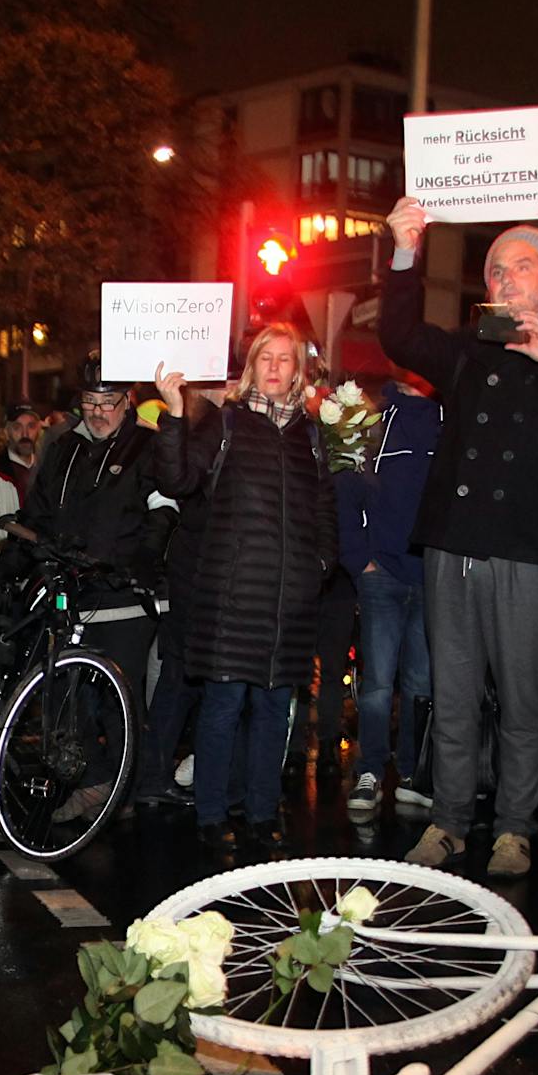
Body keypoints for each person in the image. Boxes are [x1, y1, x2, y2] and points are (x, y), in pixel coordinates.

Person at [379, 204, 538, 879]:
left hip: (529, 549)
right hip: (456, 545)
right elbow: (399, 334)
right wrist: (405, 250)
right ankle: (448, 821)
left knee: (523, 703)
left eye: (520, 266)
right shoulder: (471, 347)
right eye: (495, 269)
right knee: (454, 695)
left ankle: (514, 829)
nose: (504, 278)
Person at [154, 323, 336, 861]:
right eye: (265, 358)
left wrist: (319, 565)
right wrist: (173, 414)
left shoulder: (310, 435)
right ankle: (211, 817)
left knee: (275, 710)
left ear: (298, 371)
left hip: (287, 603)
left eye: (285, 359)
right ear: (252, 367)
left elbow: (325, 509)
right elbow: (177, 480)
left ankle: (261, 815)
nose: (275, 367)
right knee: (223, 707)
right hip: (231, 597)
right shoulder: (225, 423)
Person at [16, 359, 173, 813]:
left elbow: (165, 510)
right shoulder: (64, 448)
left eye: (108, 402)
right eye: (89, 402)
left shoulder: (146, 445)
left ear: (128, 402)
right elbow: (38, 512)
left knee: (118, 699)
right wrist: (19, 556)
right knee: (69, 695)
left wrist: (144, 558)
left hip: (124, 598)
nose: (98, 412)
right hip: (73, 593)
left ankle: (125, 790)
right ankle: (94, 781)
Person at [340, 375, 441, 820]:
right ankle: (370, 771)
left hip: (432, 575)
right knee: (379, 683)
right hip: (380, 571)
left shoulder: (449, 420)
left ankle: (413, 773)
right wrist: (359, 558)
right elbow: (347, 489)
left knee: (421, 682)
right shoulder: (375, 421)